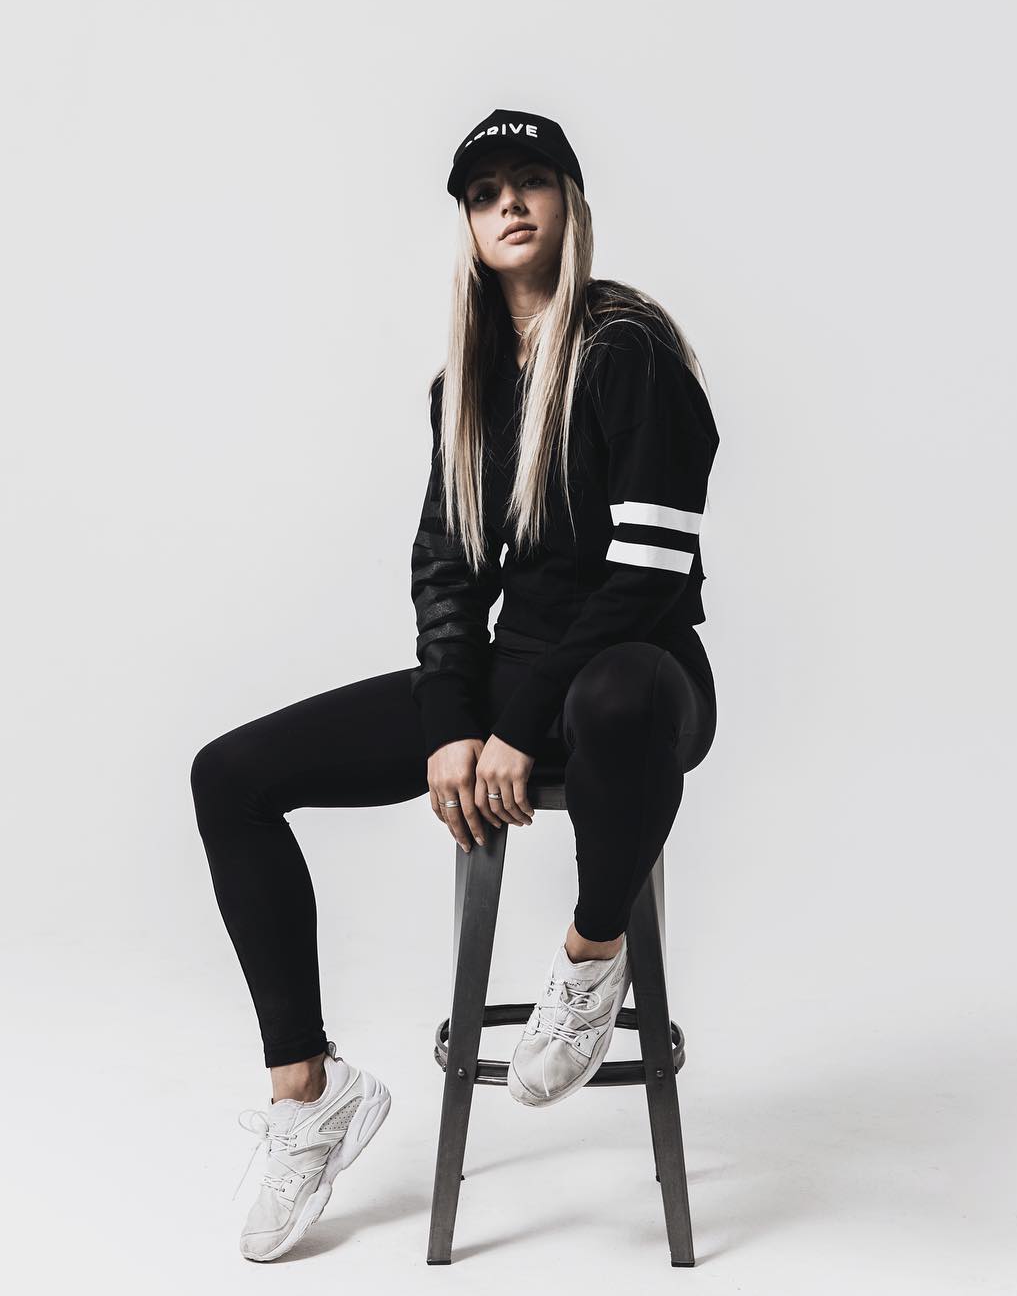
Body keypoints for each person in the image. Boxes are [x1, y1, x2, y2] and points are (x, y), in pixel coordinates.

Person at [190, 106, 720, 1262]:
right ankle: (308, 1096)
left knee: (615, 699)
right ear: (470, 227)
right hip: (516, 685)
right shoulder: (467, 384)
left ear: (570, 205)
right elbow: (447, 573)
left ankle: (590, 960)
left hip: (640, 675)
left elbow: (646, 569)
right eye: (486, 194)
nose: (510, 204)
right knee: (228, 775)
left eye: (532, 181)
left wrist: (516, 728)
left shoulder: (629, 351)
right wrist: (451, 725)